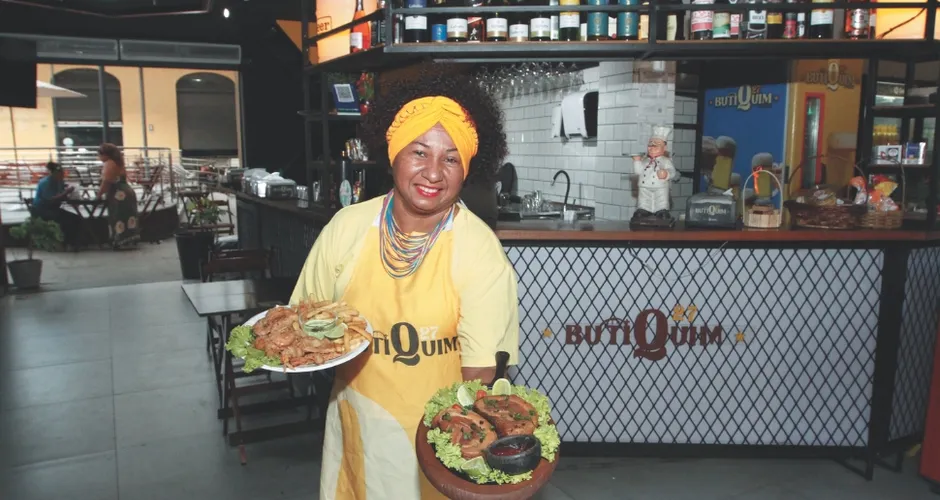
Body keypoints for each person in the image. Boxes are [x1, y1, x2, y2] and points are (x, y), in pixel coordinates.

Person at [290, 67, 520, 500]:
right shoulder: (347, 227)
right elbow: (302, 323)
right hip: (357, 430)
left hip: (437, 441)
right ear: (393, 154)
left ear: (467, 169)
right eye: (419, 152)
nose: (433, 172)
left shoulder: (479, 250)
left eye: (451, 158)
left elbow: (480, 372)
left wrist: (464, 451)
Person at [96, 143, 140, 249]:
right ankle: (130, 239)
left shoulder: (109, 163)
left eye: (100, 154)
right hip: (127, 191)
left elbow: (106, 181)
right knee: (128, 216)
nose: (99, 157)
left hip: (118, 194)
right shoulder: (118, 162)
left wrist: (99, 195)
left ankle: (119, 240)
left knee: (118, 216)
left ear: (106, 155)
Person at [31, 162, 83, 247]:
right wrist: (66, 192)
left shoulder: (60, 182)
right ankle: (65, 242)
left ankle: (73, 242)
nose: (62, 175)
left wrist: (72, 196)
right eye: (60, 173)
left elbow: (61, 195)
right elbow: (51, 199)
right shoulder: (46, 182)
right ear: (54, 173)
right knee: (67, 220)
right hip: (43, 210)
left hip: (54, 209)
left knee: (77, 218)